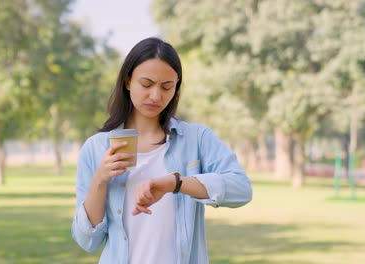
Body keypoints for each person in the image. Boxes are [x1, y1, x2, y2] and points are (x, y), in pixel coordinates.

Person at [72, 37, 252, 264]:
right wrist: (100, 180)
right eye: (146, 84)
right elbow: (86, 240)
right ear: (128, 81)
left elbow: (242, 189)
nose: (156, 96)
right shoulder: (95, 148)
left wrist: (175, 183)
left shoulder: (197, 139)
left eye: (167, 87)